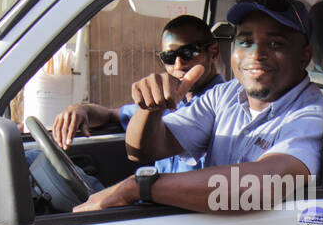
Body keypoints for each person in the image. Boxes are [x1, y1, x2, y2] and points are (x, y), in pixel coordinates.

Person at [74, 0, 323, 213]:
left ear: (304, 56)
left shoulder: (312, 114)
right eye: (245, 42)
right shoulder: (225, 95)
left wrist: (141, 187)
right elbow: (144, 150)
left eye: (275, 44)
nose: (256, 55)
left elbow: (262, 185)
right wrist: (150, 108)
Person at [50, 15, 224, 174]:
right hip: (154, 200)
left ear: (213, 53)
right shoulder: (167, 99)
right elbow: (111, 115)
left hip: (182, 205)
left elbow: (139, 152)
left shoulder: (224, 106)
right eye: (169, 56)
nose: (178, 64)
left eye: (189, 52)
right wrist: (81, 110)